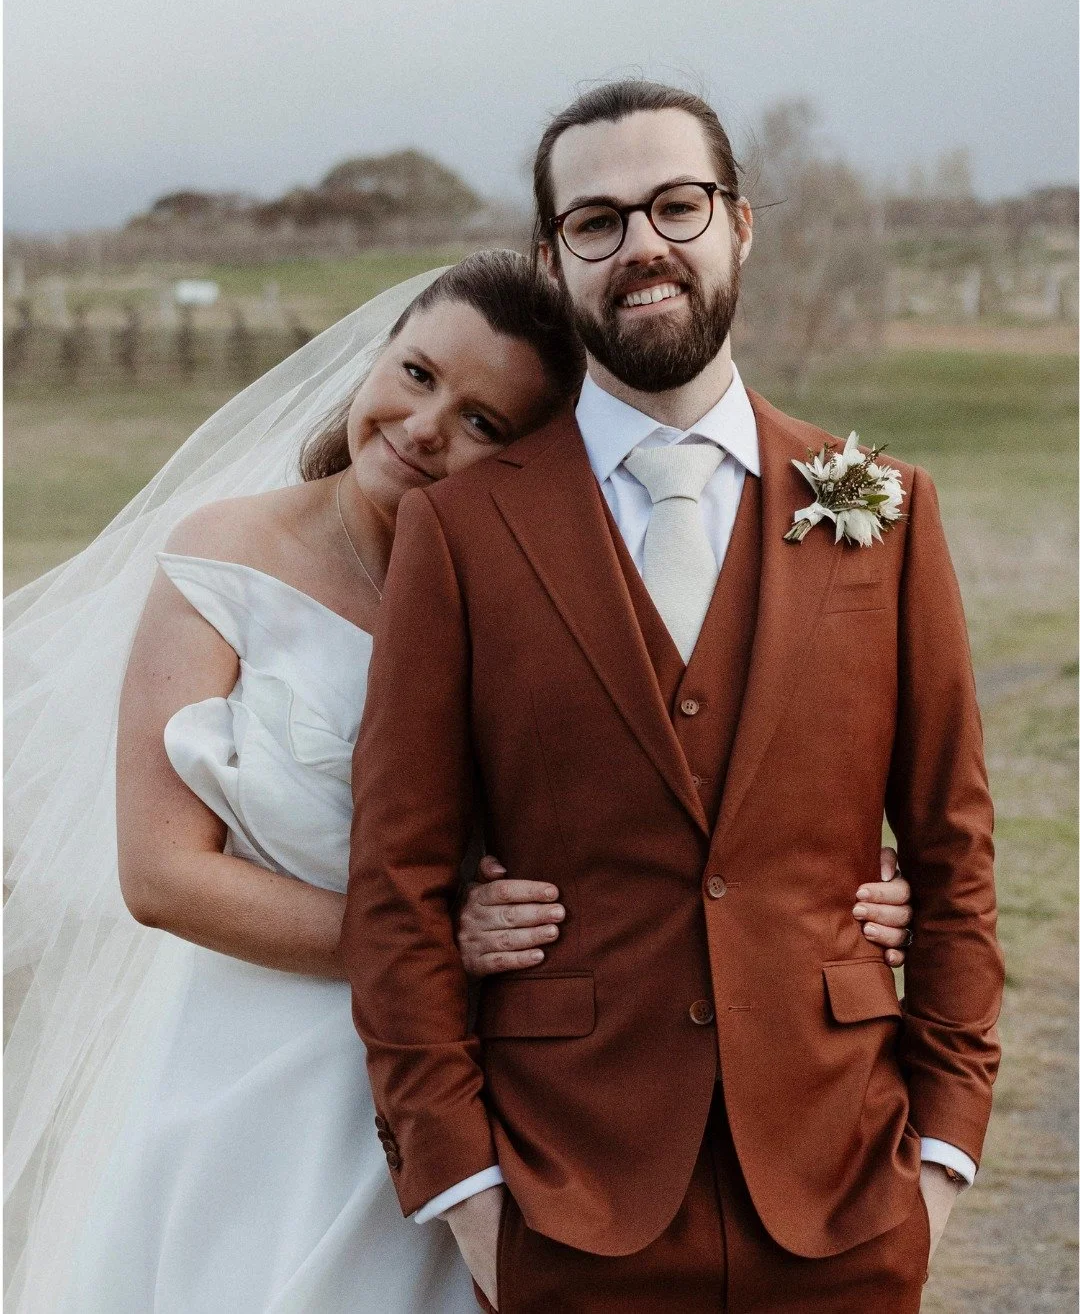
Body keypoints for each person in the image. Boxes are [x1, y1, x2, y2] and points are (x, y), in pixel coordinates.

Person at [4, 250, 909, 1311]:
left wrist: (852, 894)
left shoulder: (538, 598)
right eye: (419, 375)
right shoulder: (223, 558)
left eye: (485, 423)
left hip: (493, 1100)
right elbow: (160, 876)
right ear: (376, 358)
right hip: (258, 1091)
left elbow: (673, 800)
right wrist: (422, 946)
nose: (428, 428)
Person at [341, 82, 1004, 1313]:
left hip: (847, 1195)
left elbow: (956, 854)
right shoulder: (464, 534)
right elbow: (399, 880)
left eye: (677, 205)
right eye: (597, 220)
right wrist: (467, 1196)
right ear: (556, 260)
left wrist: (946, 1156)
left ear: (740, 225)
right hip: (566, 1203)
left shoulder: (886, 511)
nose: (642, 243)